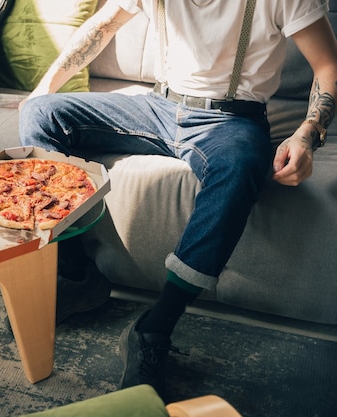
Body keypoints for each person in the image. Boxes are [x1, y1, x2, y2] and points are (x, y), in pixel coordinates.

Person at [18, 0, 337, 399]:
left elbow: (328, 65)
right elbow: (100, 28)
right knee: (42, 115)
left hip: (231, 120)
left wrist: (307, 133)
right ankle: (79, 276)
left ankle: (155, 327)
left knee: (241, 170)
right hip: (157, 107)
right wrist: (42, 89)